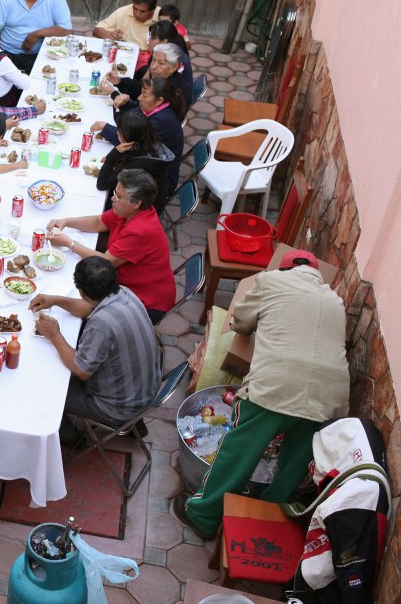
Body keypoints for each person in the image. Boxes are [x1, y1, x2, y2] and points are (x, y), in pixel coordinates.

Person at [174, 250, 351, 539]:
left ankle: (203, 514)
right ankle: (263, 525)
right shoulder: (335, 301)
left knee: (238, 452)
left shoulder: (270, 281)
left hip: (277, 384)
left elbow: (241, 321)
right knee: (293, 468)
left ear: (282, 270)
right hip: (330, 397)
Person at [30, 257, 160, 443]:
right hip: (144, 393)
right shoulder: (124, 292)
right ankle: (135, 424)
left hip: (116, 407)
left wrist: (55, 335)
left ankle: (71, 438)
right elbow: (86, 308)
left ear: (82, 291)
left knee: (47, 386)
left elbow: (81, 370)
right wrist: (55, 300)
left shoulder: (101, 324)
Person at [45, 168, 176, 323]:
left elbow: (104, 263)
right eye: (115, 193)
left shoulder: (140, 230)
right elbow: (99, 222)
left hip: (145, 300)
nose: (113, 199)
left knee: (86, 301)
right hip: (127, 282)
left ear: (136, 203)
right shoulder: (127, 210)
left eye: (118, 196)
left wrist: (69, 243)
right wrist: (66, 221)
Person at [94, 76, 185, 195]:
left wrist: (105, 128)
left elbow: (130, 138)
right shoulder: (154, 108)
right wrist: (122, 99)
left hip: (154, 184)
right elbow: (132, 116)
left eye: (144, 95)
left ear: (159, 100)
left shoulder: (162, 121)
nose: (139, 98)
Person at [95, 109, 174, 214]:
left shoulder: (136, 167)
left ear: (125, 138)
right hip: (150, 205)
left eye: (118, 131)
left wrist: (112, 157)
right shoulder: (151, 143)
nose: (116, 133)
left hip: (141, 217)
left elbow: (102, 184)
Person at [104, 35, 193, 107]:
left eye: (161, 63)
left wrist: (114, 94)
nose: (154, 67)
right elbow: (140, 89)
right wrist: (119, 81)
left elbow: (139, 112)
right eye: (153, 60)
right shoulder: (162, 77)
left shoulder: (168, 90)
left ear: (174, 67)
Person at [93, 0, 159, 70]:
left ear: (152, 10)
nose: (137, 14)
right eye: (135, 8)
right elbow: (96, 30)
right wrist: (109, 34)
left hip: (152, 60)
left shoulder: (162, 16)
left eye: (142, 11)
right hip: (124, 57)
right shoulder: (122, 12)